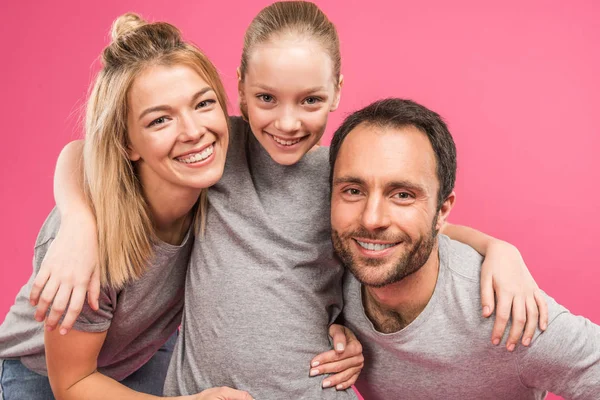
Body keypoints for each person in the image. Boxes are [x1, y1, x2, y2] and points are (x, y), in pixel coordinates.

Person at [31, 2, 547, 399]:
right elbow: (88, 150)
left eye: (311, 100)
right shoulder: (211, 150)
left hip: (185, 359)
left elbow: (398, 222)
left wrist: (500, 249)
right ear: (241, 88)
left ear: (338, 91)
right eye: (265, 98)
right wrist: (78, 222)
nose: (286, 123)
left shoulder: (309, 168)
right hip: (65, 369)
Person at [0, 13, 252, 400]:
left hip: (140, 351)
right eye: (160, 120)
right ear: (126, 144)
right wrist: (82, 224)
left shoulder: (221, 155)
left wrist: (341, 326)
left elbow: (77, 151)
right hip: (45, 372)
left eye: (204, 103)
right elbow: (72, 383)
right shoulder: (94, 250)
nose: (193, 131)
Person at [330, 98, 600, 399]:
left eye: (403, 195)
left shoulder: (506, 314)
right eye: (353, 191)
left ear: (442, 211)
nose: (372, 219)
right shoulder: (324, 272)